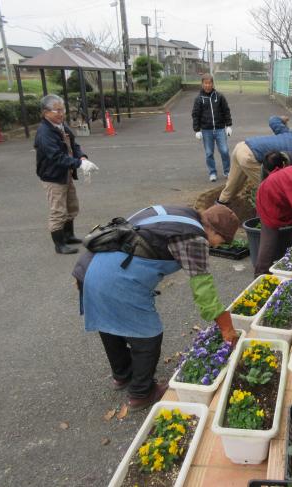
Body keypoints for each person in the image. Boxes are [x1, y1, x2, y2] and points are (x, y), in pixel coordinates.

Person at [72, 204, 241, 411]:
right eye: (222, 241)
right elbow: (204, 292)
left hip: (90, 267)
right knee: (148, 334)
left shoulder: (180, 214)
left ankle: (123, 375)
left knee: (110, 323)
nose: (218, 246)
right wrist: (226, 326)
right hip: (116, 278)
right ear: (213, 231)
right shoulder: (194, 239)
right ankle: (142, 393)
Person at [35, 94, 99, 254]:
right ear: (45, 112)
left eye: (62, 109)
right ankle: (59, 245)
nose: (61, 113)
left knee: (71, 206)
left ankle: (69, 236)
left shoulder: (61, 125)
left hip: (66, 173)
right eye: (56, 110)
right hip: (53, 176)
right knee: (58, 210)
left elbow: (74, 144)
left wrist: (82, 157)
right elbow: (55, 157)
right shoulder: (44, 132)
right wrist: (79, 164)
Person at [217, 115, 292, 205]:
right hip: (250, 156)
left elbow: (273, 121)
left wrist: (281, 119)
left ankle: (219, 208)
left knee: (232, 185)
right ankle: (264, 217)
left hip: (242, 146)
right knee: (270, 188)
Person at [192, 73, 233, 182]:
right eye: (205, 83)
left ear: (212, 84)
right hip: (206, 130)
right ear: (202, 84)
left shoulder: (219, 97)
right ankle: (212, 172)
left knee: (224, 151)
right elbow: (195, 114)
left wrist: (228, 125)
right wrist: (197, 130)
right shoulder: (199, 99)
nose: (207, 85)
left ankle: (227, 171)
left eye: (209, 83)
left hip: (220, 129)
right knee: (209, 153)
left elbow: (226, 111)